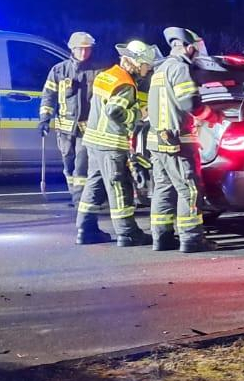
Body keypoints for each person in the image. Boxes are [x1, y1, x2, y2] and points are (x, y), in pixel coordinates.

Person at [76, 40, 160, 246]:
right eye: (146, 65)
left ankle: (85, 229)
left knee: (94, 186)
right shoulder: (125, 84)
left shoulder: (107, 75)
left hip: (94, 141)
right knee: (119, 188)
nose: (147, 69)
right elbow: (114, 111)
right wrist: (138, 114)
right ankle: (127, 233)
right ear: (135, 62)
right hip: (111, 145)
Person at [149, 27, 225, 252]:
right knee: (189, 190)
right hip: (178, 142)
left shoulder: (161, 69)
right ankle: (192, 238)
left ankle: (162, 238)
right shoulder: (181, 68)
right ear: (189, 47)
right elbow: (190, 104)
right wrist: (213, 116)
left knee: (164, 189)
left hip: (157, 141)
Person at [40, 31, 103, 204]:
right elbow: (49, 96)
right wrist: (44, 118)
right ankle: (73, 192)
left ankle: (80, 200)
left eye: (87, 49)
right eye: (80, 49)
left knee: (82, 164)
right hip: (65, 129)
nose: (83, 52)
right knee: (69, 163)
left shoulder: (98, 71)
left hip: (87, 128)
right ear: (72, 49)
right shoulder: (59, 70)